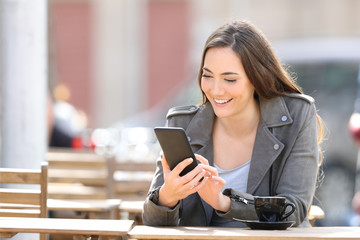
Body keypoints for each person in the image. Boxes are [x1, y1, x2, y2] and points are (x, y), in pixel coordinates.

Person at [142, 20, 324, 227]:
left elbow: (293, 209)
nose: (216, 90)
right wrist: (168, 196)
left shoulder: (296, 117)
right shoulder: (182, 124)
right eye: (207, 76)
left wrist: (224, 202)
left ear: (257, 78)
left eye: (229, 80)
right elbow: (152, 221)